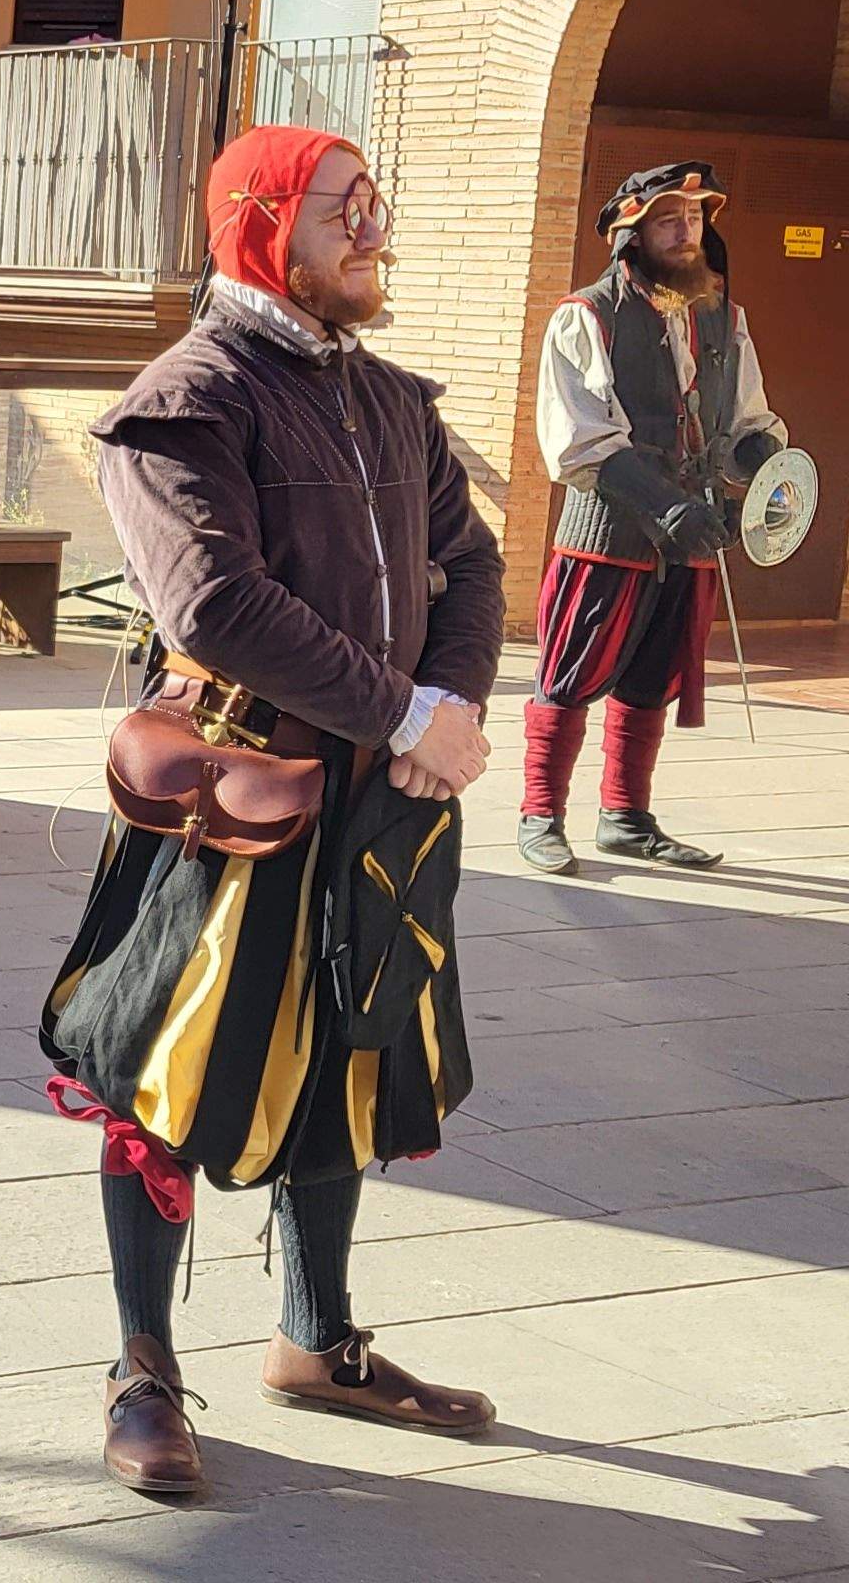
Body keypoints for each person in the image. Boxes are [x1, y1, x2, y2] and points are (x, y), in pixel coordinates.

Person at [43, 125, 506, 1496]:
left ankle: (318, 1344)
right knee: (167, 1065)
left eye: (374, 206)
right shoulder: (191, 397)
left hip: (384, 792)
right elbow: (215, 604)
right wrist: (404, 713)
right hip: (238, 798)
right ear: (263, 224)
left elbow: (468, 565)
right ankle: (142, 1368)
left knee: (356, 1053)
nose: (372, 231)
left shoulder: (391, 401)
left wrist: (447, 713)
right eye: (343, 209)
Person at [515, 162, 786, 874]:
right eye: (669, 219)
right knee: (569, 673)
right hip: (611, 531)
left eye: (696, 219)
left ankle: (627, 817)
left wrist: (762, 466)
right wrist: (664, 505)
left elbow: (745, 420)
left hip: (695, 534)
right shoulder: (586, 314)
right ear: (630, 234)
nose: (686, 232)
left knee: (653, 679)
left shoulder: (726, 318)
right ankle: (540, 814)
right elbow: (577, 441)